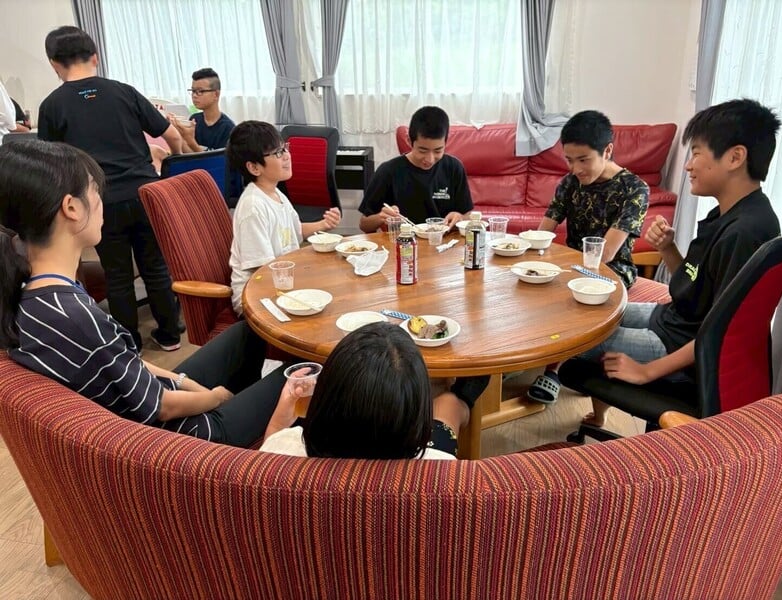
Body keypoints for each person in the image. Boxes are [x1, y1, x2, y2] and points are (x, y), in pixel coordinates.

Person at [0, 140, 284, 448]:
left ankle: (247, 432)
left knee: (249, 332)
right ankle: (236, 450)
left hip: (146, 402)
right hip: (177, 436)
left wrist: (186, 382)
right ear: (71, 208)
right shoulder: (76, 316)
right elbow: (161, 407)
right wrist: (216, 398)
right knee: (305, 373)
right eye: (94, 189)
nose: (101, 199)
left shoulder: (34, 292)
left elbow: (123, 361)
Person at [574, 98, 782, 428]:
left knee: (575, 341)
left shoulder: (746, 232)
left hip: (679, 346)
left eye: (696, 153)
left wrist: (647, 371)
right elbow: (697, 288)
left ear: (735, 157)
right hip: (673, 320)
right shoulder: (730, 214)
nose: (687, 166)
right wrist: (668, 249)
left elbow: (722, 331)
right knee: (591, 309)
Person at [38, 25, 184, 353]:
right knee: (155, 265)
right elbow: (172, 135)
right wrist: (170, 166)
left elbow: (52, 164)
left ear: (54, 64)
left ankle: (130, 343)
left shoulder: (52, 105)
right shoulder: (124, 91)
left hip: (98, 201)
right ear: (95, 57)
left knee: (117, 273)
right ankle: (170, 335)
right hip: (147, 194)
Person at [527, 110, 649, 404]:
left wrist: (563, 269)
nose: (575, 168)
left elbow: (606, 253)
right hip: (571, 264)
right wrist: (531, 257)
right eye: (569, 160)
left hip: (612, 271)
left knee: (572, 296)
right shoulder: (570, 183)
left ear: (607, 150)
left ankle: (553, 369)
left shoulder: (634, 189)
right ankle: (519, 355)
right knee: (528, 283)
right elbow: (544, 231)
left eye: (583, 160)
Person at [260, 322, 489, 459]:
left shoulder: (282, 453)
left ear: (324, 402)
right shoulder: (440, 471)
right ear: (419, 422)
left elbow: (269, 455)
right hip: (410, 460)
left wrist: (279, 424)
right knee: (448, 408)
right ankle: (461, 398)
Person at [226, 120, 341, 315]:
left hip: (281, 282)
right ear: (254, 168)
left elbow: (294, 230)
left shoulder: (276, 193)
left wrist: (323, 224)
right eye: (278, 153)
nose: (287, 156)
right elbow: (263, 269)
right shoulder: (253, 207)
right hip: (255, 296)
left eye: (285, 148)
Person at [358, 106, 473, 232]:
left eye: (438, 151)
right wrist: (381, 217)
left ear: (445, 143)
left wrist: (460, 218)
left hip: (445, 241)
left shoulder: (454, 168)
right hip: (403, 241)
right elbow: (364, 224)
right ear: (409, 141)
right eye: (422, 150)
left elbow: (467, 215)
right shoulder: (388, 171)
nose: (430, 159)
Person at [170, 67, 235, 152]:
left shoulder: (228, 128)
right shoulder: (194, 119)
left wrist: (190, 141)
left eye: (200, 91)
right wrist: (177, 134)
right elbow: (189, 154)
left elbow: (215, 159)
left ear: (216, 94)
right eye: (193, 91)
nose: (194, 95)